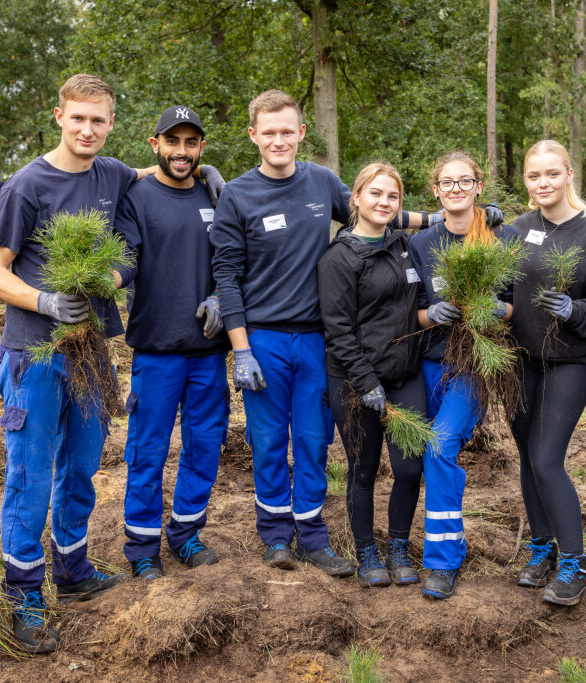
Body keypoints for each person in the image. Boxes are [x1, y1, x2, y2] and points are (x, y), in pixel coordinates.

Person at [210, 90, 439, 578]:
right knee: (269, 439)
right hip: (264, 339)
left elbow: (377, 212)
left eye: (287, 131)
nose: (278, 140)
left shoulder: (322, 182)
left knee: (313, 440)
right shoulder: (238, 194)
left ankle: (312, 535)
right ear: (253, 135)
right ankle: (275, 536)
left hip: (317, 339)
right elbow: (226, 274)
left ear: (301, 133)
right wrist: (241, 348)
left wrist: (439, 219)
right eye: (268, 132)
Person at [0, 74, 157, 654]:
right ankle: (24, 589)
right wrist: (46, 299)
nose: (88, 130)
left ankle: (74, 568)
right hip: (34, 352)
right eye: (78, 118)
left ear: (111, 123)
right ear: (59, 115)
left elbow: (149, 178)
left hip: (91, 350)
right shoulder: (27, 186)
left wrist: (205, 172)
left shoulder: (109, 175)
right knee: (29, 474)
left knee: (81, 464)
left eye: (99, 120)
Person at [113, 105, 228, 581]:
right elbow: (124, 260)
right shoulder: (136, 196)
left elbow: (235, 255)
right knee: (148, 448)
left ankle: (185, 534)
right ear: (154, 144)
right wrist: (103, 279)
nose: (181, 151)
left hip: (208, 351)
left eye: (191, 142)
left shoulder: (216, 193)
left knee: (205, 444)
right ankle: (142, 545)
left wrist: (224, 295)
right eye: (172, 141)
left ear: (201, 147)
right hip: (157, 349)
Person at [508, 140, 586, 606]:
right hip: (520, 359)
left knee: (546, 457)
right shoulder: (516, 229)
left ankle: (575, 562)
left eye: (552, 175)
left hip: (569, 361)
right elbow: (500, 286)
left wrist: (577, 310)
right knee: (526, 455)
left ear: (569, 174)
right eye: (534, 177)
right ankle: (542, 550)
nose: (543, 184)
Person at [408, 151, 517, 599]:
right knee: (430, 457)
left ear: (478, 186)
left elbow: (516, 305)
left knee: (440, 445)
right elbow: (410, 312)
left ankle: (442, 562)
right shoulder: (420, 244)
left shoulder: (499, 238)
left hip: (472, 367)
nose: (456, 189)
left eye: (464, 181)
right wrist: (430, 315)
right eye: (447, 183)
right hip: (426, 364)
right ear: (436, 191)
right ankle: (449, 539)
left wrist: (499, 310)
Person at [318, 162, 425, 589]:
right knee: (363, 469)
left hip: (405, 375)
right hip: (353, 380)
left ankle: (398, 546)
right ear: (356, 199)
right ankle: (365, 550)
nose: (384, 202)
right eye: (375, 194)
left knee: (409, 468)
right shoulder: (339, 258)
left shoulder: (404, 246)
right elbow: (338, 330)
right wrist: (366, 383)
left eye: (393, 196)